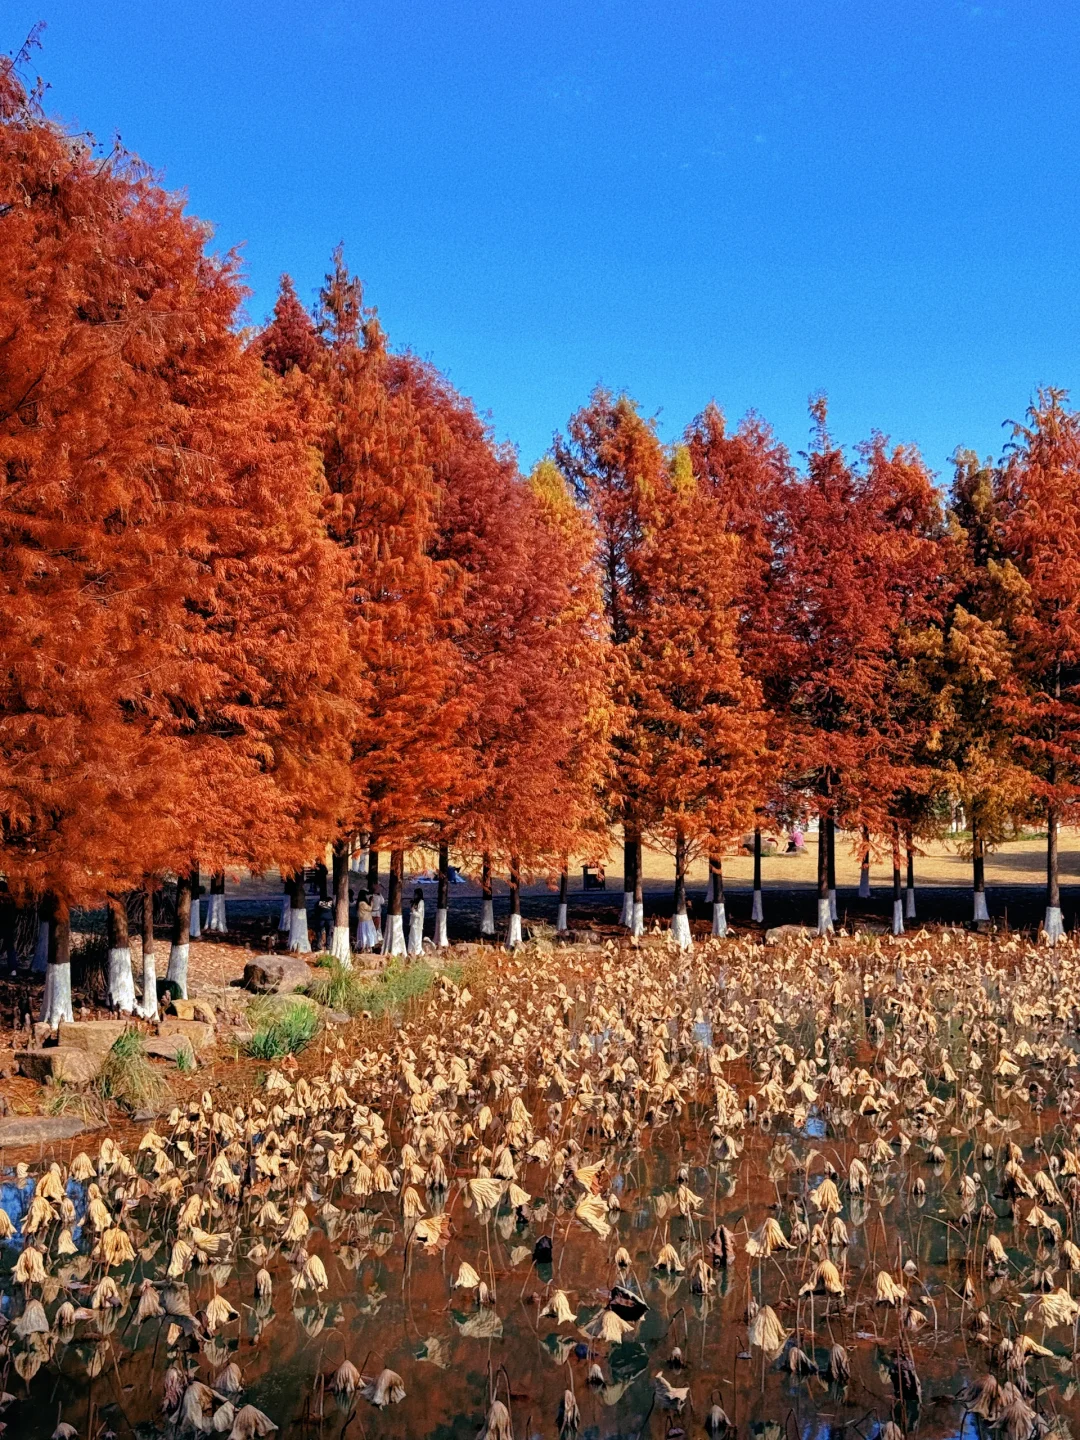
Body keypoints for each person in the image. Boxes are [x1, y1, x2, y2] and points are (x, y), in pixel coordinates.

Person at [407, 884, 425, 957]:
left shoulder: (421, 902)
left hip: (417, 924)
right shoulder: (415, 902)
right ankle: (410, 950)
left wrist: (413, 911)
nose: (414, 895)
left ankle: (417, 951)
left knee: (417, 937)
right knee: (411, 936)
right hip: (413, 923)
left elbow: (419, 914)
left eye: (415, 894)